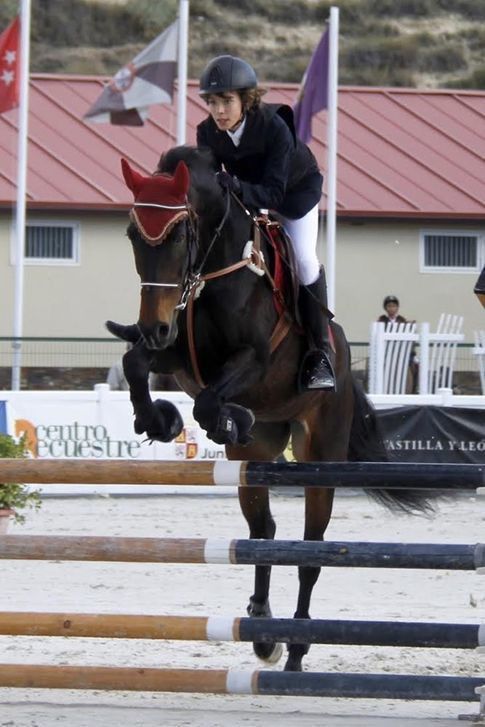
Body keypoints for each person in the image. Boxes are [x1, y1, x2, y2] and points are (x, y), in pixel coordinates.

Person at [196, 55, 335, 391]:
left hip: (293, 196)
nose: (219, 111)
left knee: (302, 260)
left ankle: (320, 354)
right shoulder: (207, 133)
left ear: (247, 99)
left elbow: (273, 194)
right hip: (248, 197)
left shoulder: (274, 129)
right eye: (213, 102)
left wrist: (237, 188)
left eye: (227, 101)